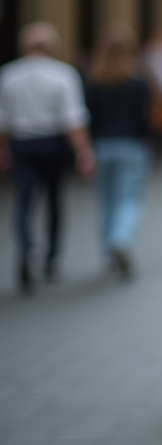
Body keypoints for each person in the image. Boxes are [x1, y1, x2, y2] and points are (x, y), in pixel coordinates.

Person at [0, 22, 95, 293]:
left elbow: (3, 120)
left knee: (24, 201)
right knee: (54, 200)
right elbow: (73, 119)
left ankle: (28, 248)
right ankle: (53, 258)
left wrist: (3, 149)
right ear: (51, 47)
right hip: (52, 143)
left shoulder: (9, 75)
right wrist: (84, 152)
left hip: (22, 143)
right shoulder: (63, 74)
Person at [85, 26, 152, 280]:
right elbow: (144, 118)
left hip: (102, 145)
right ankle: (121, 239)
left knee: (107, 200)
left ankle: (108, 251)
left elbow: (87, 117)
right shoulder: (137, 81)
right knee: (129, 199)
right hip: (131, 145)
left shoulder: (93, 80)